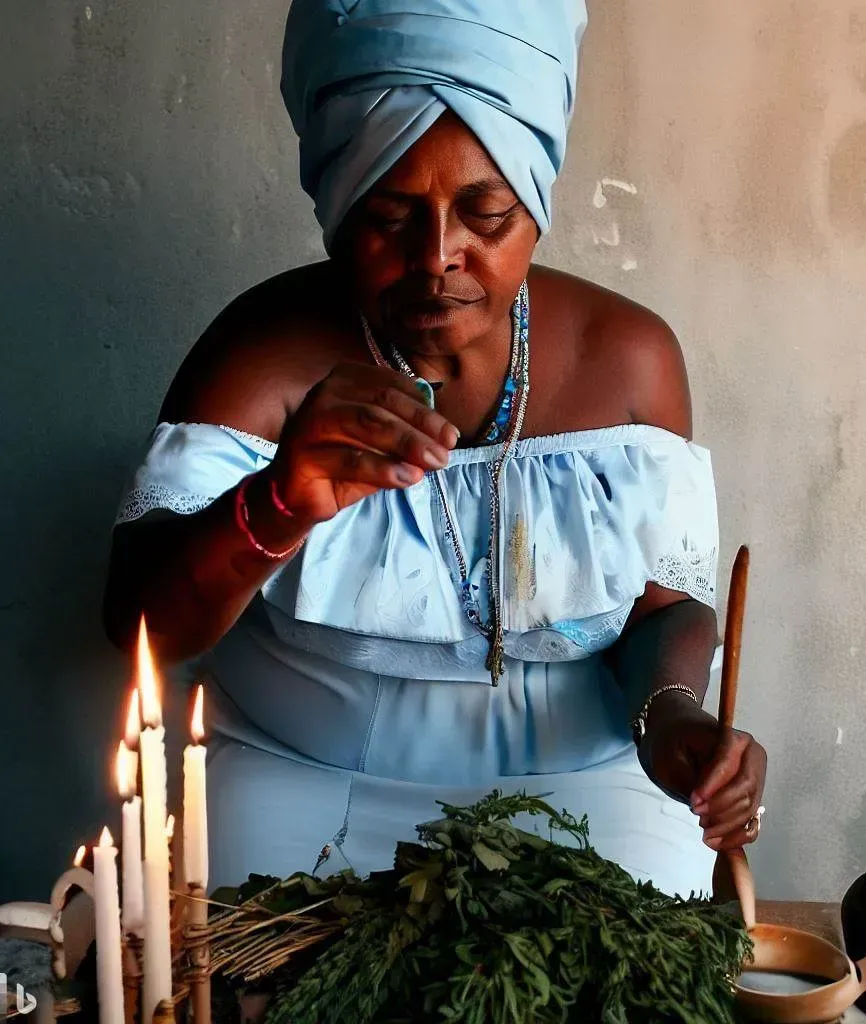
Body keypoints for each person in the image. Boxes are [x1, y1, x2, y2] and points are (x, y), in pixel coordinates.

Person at [103, 0, 767, 897]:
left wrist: (672, 717)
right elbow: (142, 627)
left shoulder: (630, 361)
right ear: (339, 207)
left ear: (534, 201)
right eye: (390, 215)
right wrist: (281, 503)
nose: (438, 256)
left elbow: (663, 610)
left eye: (487, 213)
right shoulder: (262, 356)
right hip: (303, 771)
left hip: (591, 781)